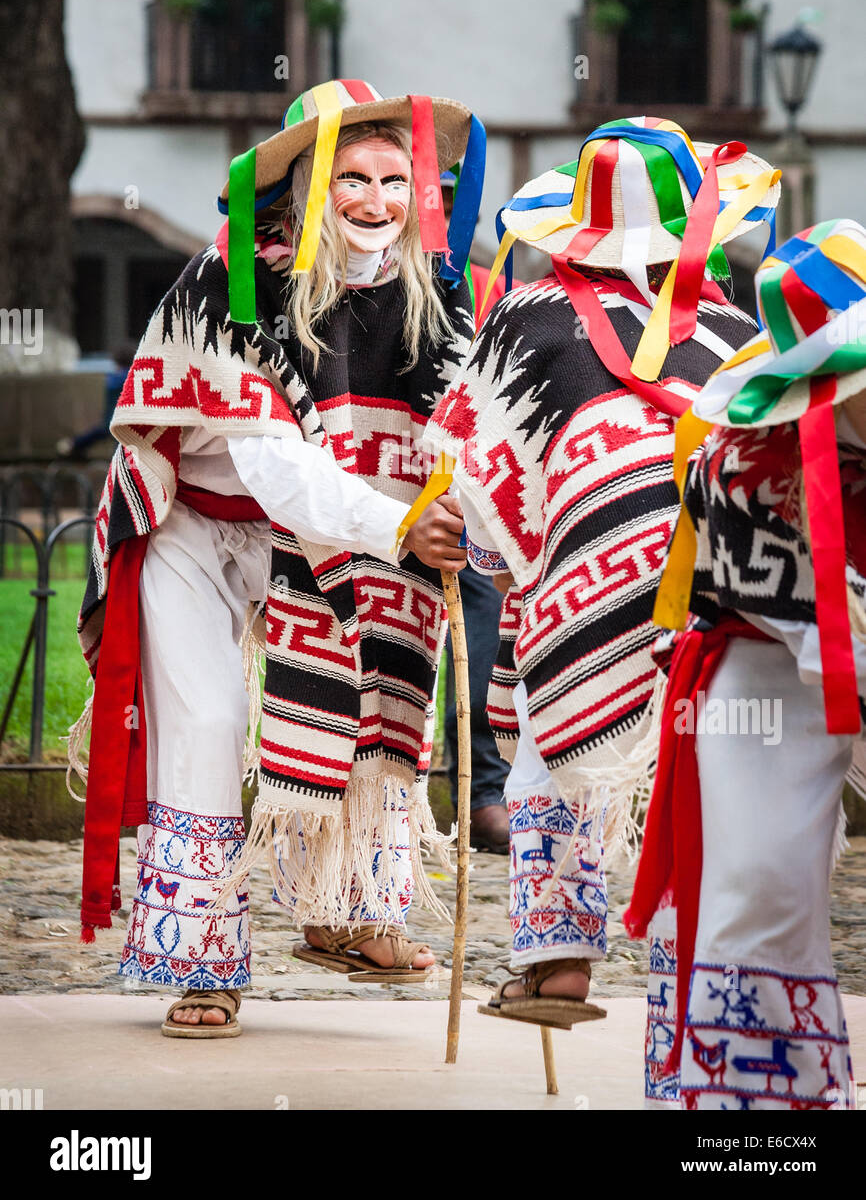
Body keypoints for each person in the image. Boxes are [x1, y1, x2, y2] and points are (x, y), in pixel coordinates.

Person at [71, 79, 486, 1036]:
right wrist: (397, 528)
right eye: (353, 178)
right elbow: (279, 468)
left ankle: (349, 911)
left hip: (317, 526)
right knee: (210, 718)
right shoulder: (237, 281)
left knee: (375, 671)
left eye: (394, 177)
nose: (378, 201)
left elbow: (461, 422)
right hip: (196, 523)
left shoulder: (427, 287)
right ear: (305, 180)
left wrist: (467, 504)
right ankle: (201, 959)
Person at [425, 117, 780, 1103]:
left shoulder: (525, 318)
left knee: (548, 738)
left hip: (573, 591)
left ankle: (556, 954)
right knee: (682, 786)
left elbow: (470, 480)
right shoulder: (735, 335)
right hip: (698, 600)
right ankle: (686, 1007)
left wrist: (501, 553)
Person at [626, 219, 866, 1110]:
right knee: (757, 892)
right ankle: (752, 1128)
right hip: (757, 682)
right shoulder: (746, 468)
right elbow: (830, 641)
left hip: (830, 666)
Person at [439, 169, 513, 853]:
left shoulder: (496, 288)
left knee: (485, 647)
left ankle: (482, 791)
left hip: (470, 496)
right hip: (375, 486)